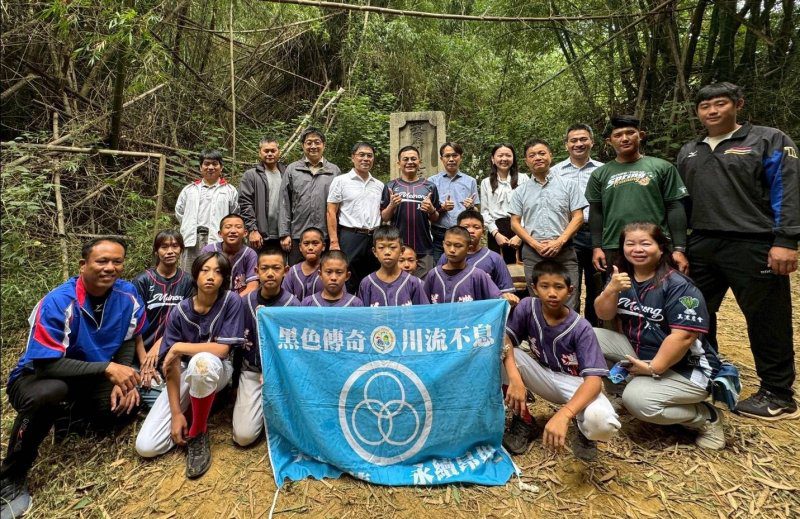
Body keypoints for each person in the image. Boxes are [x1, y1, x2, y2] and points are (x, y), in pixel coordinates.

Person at [677, 82, 799, 419]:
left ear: (738, 104)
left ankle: (777, 393)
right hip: (700, 242)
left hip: (753, 242)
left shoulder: (768, 139)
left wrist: (786, 240)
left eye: (720, 104)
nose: (712, 111)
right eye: (705, 107)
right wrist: (679, 246)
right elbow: (681, 202)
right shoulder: (690, 149)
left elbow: (787, 190)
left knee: (766, 318)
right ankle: (708, 373)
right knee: (694, 314)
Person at [1, 238, 145, 519]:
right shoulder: (58, 301)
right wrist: (108, 370)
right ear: (83, 265)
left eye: (117, 262)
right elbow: (45, 365)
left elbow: (129, 339)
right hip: (38, 378)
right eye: (102, 261)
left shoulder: (128, 296)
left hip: (90, 375)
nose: (110, 268)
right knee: (48, 394)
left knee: (122, 408)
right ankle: (11, 477)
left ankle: (69, 419)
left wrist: (123, 377)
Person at [593, 222, 725, 450]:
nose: (637, 249)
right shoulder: (621, 278)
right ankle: (619, 393)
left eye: (646, 243)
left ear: (661, 248)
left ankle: (706, 417)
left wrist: (653, 368)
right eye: (630, 243)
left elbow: (683, 337)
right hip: (642, 351)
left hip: (688, 368)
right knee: (589, 337)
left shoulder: (678, 285)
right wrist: (611, 289)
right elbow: (603, 313)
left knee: (638, 401)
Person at [135, 252, 244, 478]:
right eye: (205, 270)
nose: (211, 276)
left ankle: (198, 433)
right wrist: (176, 413)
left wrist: (178, 347)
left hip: (219, 369)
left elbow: (223, 350)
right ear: (195, 275)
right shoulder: (180, 311)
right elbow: (172, 366)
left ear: (225, 278)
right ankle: (191, 411)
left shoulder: (231, 301)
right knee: (147, 446)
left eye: (218, 272)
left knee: (201, 362)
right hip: (184, 373)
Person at [502, 260, 620, 459]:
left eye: (559, 287)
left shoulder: (581, 327)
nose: (552, 293)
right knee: (499, 354)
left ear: (570, 290)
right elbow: (506, 339)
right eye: (544, 286)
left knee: (603, 423)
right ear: (534, 288)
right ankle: (523, 420)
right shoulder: (527, 307)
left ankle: (585, 433)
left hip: (576, 384)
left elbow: (593, 382)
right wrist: (515, 379)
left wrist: (565, 413)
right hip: (542, 374)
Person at [585, 116, 689, 278]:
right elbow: (596, 212)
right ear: (609, 141)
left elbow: (675, 207)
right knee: (619, 296)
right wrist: (597, 247)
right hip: (614, 245)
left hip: (655, 245)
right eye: (618, 135)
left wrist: (679, 249)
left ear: (641, 135)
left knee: (659, 293)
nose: (624, 138)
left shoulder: (662, 167)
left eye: (630, 133)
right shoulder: (600, 174)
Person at [509, 139, 586, 308]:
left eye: (542, 153)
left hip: (564, 250)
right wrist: (535, 245)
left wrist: (559, 242)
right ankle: (541, 334)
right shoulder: (520, 191)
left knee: (569, 297)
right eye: (532, 155)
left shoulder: (569, 185)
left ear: (550, 155)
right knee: (537, 299)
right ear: (526, 161)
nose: (537, 157)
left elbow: (578, 217)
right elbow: (514, 223)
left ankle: (569, 334)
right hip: (533, 252)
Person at [234, 248, 299, 447]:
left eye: (276, 268)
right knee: (243, 437)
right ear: (257, 271)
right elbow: (236, 344)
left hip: (283, 375)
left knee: (293, 429)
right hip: (252, 371)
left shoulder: (294, 306)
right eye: (265, 268)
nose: (270, 273)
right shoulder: (243, 303)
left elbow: (296, 353)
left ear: (285, 271)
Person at [132, 230, 194, 409]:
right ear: (156, 251)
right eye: (164, 247)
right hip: (141, 351)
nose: (170, 251)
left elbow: (185, 323)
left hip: (172, 349)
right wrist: (145, 361)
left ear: (181, 249)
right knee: (142, 383)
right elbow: (134, 326)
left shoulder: (188, 282)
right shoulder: (142, 281)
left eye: (175, 246)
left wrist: (160, 344)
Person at [551, 125, 604, 326]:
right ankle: (567, 329)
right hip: (566, 234)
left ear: (592, 142)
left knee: (596, 284)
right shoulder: (555, 172)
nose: (579, 144)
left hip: (597, 233)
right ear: (566, 145)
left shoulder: (603, 170)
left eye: (583, 139)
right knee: (566, 283)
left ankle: (592, 330)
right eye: (573, 140)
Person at [279, 127, 341, 265]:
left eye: (317, 142)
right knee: (297, 271)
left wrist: (336, 236)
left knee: (324, 272)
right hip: (298, 234)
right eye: (309, 142)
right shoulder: (292, 169)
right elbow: (284, 203)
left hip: (325, 235)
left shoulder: (334, 170)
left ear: (323, 145)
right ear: (303, 145)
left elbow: (339, 206)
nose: (313, 146)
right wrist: (284, 233)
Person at [327, 142, 384, 292]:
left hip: (374, 236)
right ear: (353, 157)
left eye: (369, 156)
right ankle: (349, 309)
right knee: (348, 275)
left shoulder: (379, 185)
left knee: (374, 276)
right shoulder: (341, 181)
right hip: (350, 235)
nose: (366, 159)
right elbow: (331, 211)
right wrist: (334, 241)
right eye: (361, 155)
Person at [381, 146, 442, 277]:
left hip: (424, 247)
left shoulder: (430, 186)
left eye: (413, 159)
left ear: (419, 162)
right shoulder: (390, 186)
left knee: (424, 288)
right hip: (397, 247)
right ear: (398, 163)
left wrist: (431, 210)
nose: (410, 162)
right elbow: (384, 217)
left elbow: (436, 218)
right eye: (405, 159)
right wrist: (391, 205)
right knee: (398, 285)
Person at [437, 209, 518, 306]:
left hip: (484, 315)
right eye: (466, 227)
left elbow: (506, 292)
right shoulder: (447, 257)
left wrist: (508, 297)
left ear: (483, 231)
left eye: (476, 227)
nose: (471, 231)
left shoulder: (495, 258)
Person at [175, 150, 239, 272]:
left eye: (215, 164)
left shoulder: (230, 191)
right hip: (192, 239)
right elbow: (179, 212)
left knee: (214, 273)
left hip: (217, 239)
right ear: (200, 167)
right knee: (189, 274)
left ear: (221, 167)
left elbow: (234, 214)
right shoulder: (189, 190)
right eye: (207, 164)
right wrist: (189, 226)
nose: (210, 167)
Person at [429, 142, 480, 262]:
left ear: (460, 157)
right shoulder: (432, 181)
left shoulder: (470, 181)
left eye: (455, 155)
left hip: (463, 232)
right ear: (442, 159)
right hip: (439, 234)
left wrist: (471, 207)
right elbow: (429, 212)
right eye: (447, 156)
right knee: (439, 268)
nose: (451, 159)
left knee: (464, 268)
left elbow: (477, 212)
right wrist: (442, 208)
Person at [423, 226, 502, 304]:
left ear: (468, 248)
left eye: (458, 246)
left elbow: (498, 301)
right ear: (443, 244)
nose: (452, 250)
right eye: (448, 244)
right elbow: (423, 306)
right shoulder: (433, 274)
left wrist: (507, 298)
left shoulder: (478, 275)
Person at [480, 143, 529, 265]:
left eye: (508, 155)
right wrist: (496, 233)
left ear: (513, 158)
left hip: (520, 228)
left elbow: (529, 209)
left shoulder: (523, 179)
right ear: (493, 159)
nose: (504, 159)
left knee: (522, 272)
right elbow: (485, 212)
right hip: (496, 230)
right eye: (500, 155)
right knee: (498, 270)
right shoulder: (486, 183)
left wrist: (520, 235)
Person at [357, 225, 429, 307]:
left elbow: (423, 314)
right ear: (375, 251)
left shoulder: (413, 283)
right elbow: (363, 316)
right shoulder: (366, 283)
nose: (387, 252)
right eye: (381, 247)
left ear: (401, 251)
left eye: (393, 247)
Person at [239, 136, 286, 252]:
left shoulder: (287, 174)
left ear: (278, 152)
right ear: (260, 153)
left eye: (273, 151)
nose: (270, 154)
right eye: (266, 151)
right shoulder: (251, 175)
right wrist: (252, 229)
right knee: (257, 268)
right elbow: (245, 204)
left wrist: (288, 232)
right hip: (259, 235)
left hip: (282, 235)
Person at [201, 214, 258, 296]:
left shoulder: (250, 254)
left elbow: (253, 286)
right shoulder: (209, 251)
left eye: (238, 227)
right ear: (220, 234)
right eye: (228, 227)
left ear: (245, 233)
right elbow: (201, 281)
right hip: (212, 301)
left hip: (240, 302)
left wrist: (232, 303)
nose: (233, 231)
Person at [281, 227, 325, 301]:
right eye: (306, 243)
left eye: (315, 243)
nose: (310, 247)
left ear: (323, 246)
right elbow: (284, 300)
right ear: (300, 247)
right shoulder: (293, 272)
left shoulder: (330, 271)